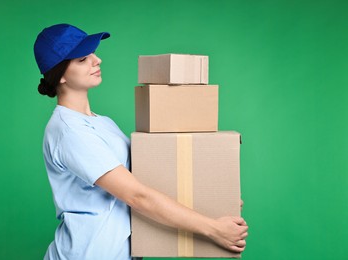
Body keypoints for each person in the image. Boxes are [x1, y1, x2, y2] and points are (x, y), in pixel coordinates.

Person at [34, 23, 248, 260]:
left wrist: (214, 201)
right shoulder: (69, 131)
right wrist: (213, 229)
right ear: (61, 74)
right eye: (83, 59)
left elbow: (146, 178)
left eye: (93, 54)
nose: (97, 60)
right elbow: (137, 196)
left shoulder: (102, 122)